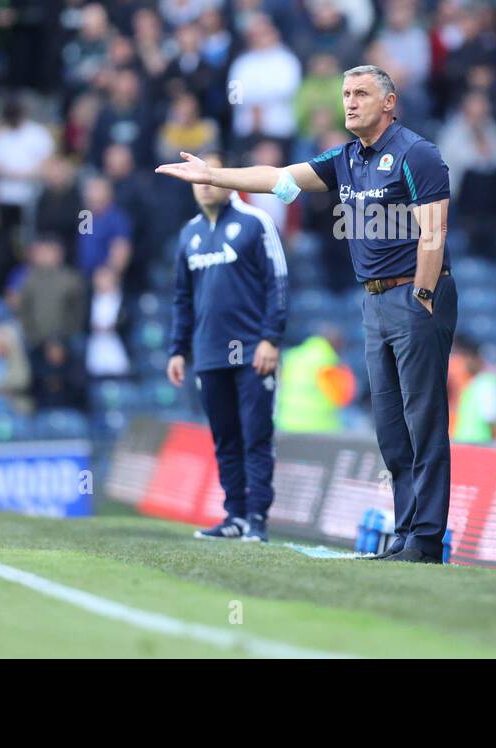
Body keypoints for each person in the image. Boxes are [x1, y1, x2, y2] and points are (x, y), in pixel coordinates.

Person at [159, 65, 457, 563]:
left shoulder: (417, 153)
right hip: (374, 300)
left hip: (413, 296)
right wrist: (213, 175)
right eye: (345, 94)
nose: (350, 102)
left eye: (361, 93)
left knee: (422, 420)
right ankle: (407, 533)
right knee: (389, 425)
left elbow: (434, 232)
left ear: (389, 102)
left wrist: (423, 298)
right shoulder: (345, 159)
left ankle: (426, 539)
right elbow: (277, 180)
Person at [167, 151, 288, 543]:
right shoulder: (188, 234)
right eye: (196, 179)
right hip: (209, 355)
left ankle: (257, 519)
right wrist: (177, 349)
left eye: (209, 176)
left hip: (253, 352)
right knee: (224, 438)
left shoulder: (256, 223)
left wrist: (271, 338)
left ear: (223, 178)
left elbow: (278, 283)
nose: (203, 184)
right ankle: (235, 515)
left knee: (256, 436)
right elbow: (182, 298)